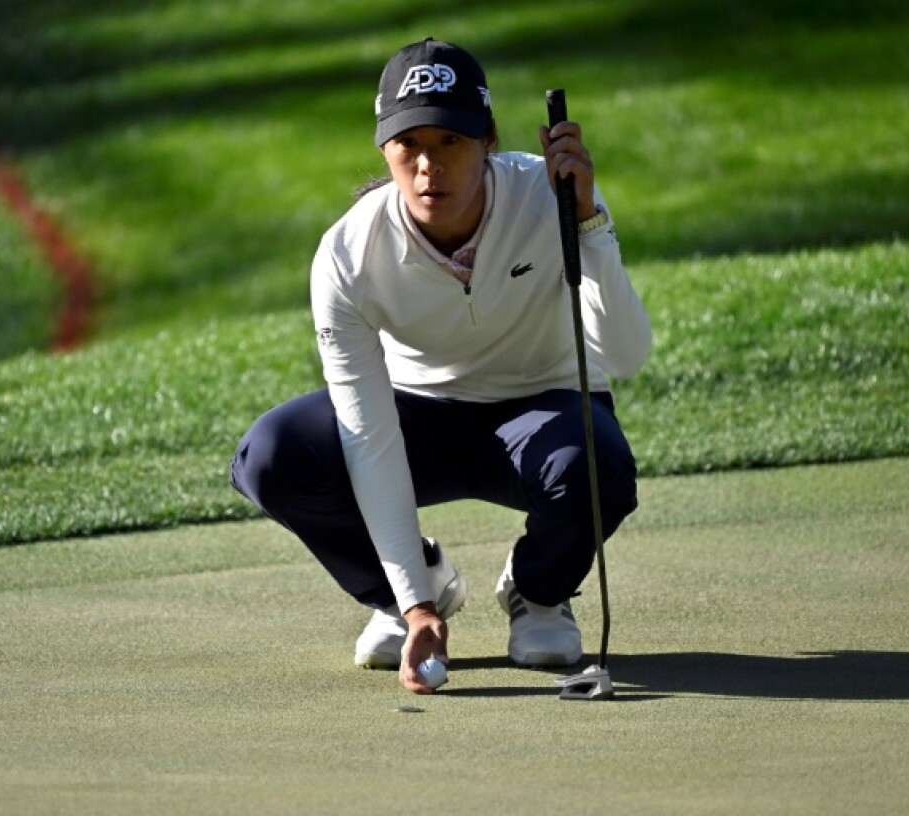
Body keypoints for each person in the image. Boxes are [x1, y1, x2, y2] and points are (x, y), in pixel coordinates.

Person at [230, 37, 652, 694]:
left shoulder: (553, 199)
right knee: (272, 456)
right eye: (410, 144)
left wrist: (590, 225)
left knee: (597, 469)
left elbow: (625, 355)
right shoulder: (348, 253)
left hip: (542, 407)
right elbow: (368, 435)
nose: (430, 166)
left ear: (487, 139)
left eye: (450, 141)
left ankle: (538, 593)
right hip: (414, 418)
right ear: (384, 151)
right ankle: (420, 587)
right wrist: (415, 604)